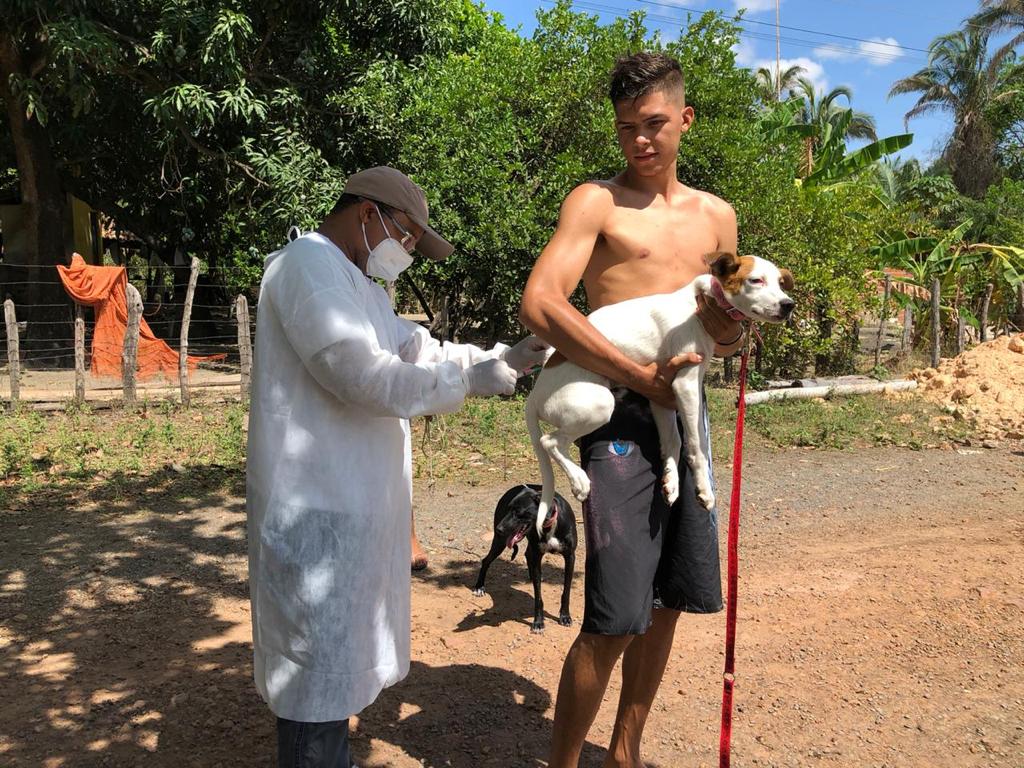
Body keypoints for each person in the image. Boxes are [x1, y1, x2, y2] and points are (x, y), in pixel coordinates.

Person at [246, 166, 550, 768]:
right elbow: (360, 373)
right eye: (407, 235)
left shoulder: (360, 286)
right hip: (315, 505)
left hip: (353, 502)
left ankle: (329, 757)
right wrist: (467, 381)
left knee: (338, 661)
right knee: (315, 674)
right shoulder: (306, 267)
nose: (408, 251)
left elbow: (416, 349)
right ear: (367, 213)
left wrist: (502, 357)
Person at [518, 52, 746, 768]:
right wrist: (636, 378)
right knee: (615, 613)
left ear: (685, 118)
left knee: (671, 597)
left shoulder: (718, 217)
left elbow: (728, 322)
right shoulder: (597, 202)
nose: (640, 141)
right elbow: (541, 301)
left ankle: (624, 752)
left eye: (653, 124)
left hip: (687, 416)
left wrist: (737, 334)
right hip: (614, 411)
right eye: (625, 129)